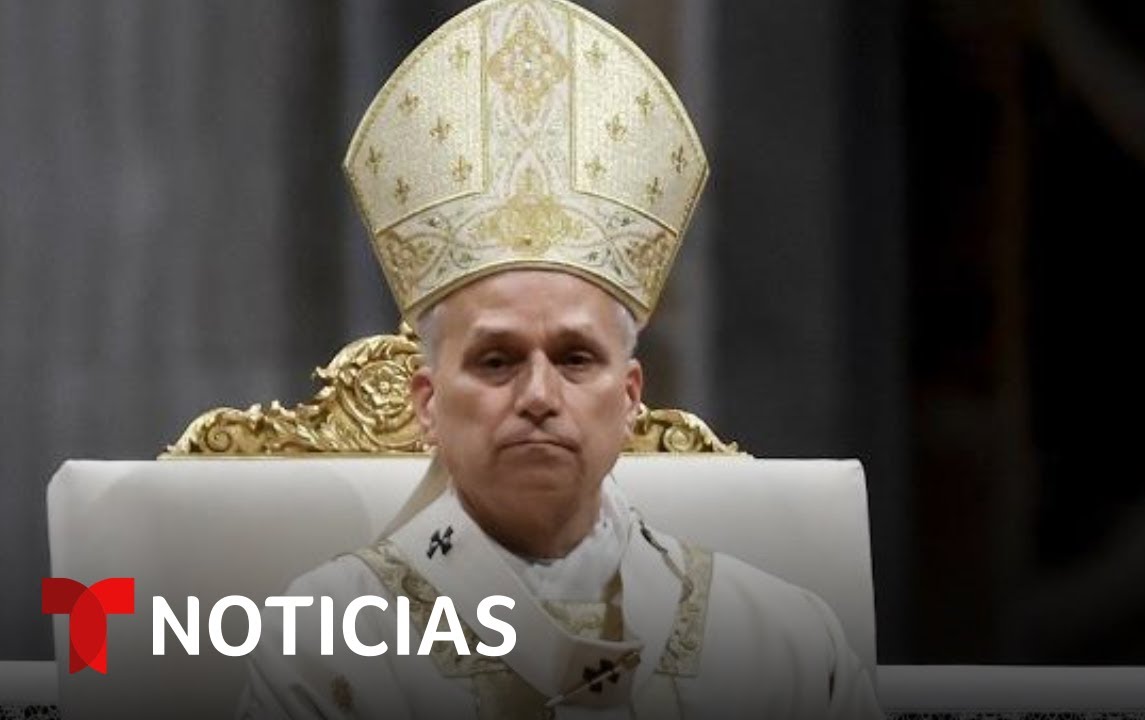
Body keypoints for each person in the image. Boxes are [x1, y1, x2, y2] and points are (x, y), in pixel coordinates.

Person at [240, 0, 882, 717]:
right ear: (427, 403)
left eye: (575, 358)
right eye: (496, 361)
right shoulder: (323, 644)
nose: (539, 395)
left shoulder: (783, 645)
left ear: (630, 397)